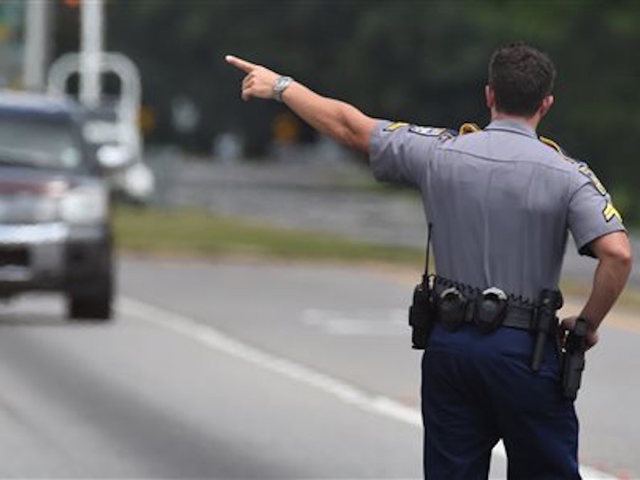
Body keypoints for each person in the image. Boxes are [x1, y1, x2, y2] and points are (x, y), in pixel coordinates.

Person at [226, 42, 632, 479]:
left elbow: (349, 126)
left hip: (451, 347)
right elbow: (618, 254)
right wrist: (586, 325)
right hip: (526, 354)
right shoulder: (569, 175)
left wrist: (281, 86)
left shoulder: (439, 151)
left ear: (490, 95)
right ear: (546, 104)